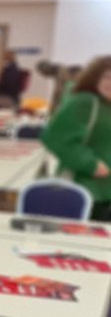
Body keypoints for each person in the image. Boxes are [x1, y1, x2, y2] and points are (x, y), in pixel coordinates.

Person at [42, 56, 111, 221]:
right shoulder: (85, 102)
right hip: (88, 188)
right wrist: (89, 163)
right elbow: (55, 137)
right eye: (108, 77)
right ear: (96, 77)